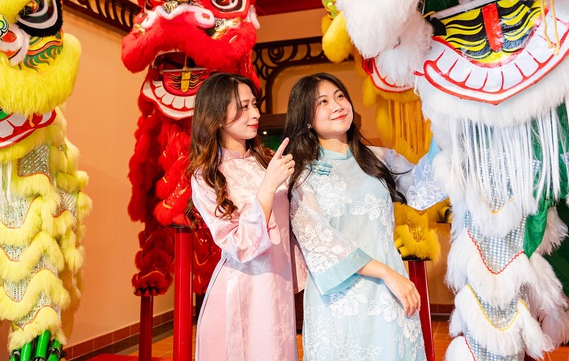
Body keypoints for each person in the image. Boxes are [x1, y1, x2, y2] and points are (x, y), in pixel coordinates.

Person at [285, 72, 444, 361]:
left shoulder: (378, 158)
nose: (337, 105)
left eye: (340, 96)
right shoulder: (303, 176)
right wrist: (387, 273)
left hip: (389, 296)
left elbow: (424, 188)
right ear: (306, 117)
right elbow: (321, 245)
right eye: (323, 102)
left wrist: (443, 130)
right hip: (340, 302)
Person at [187, 72, 299, 361]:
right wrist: (268, 187)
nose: (256, 114)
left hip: (278, 288)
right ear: (217, 114)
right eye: (243, 106)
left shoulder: (266, 159)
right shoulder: (207, 175)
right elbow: (238, 244)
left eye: (254, 104)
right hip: (240, 292)